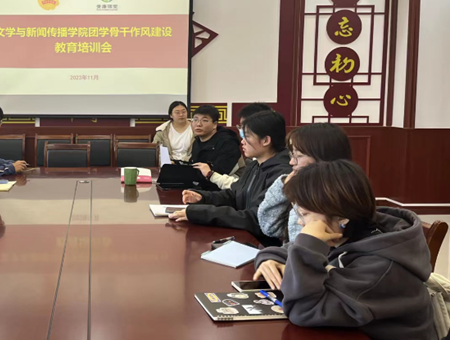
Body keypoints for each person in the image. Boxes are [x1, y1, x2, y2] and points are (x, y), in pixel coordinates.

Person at [253, 161, 434, 340]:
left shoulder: (382, 267)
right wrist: (270, 258)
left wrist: (308, 244)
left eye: (305, 214)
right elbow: (288, 249)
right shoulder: (347, 232)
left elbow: (303, 311)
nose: (300, 221)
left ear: (342, 217)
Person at [171, 110, 291, 243]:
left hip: (263, 245)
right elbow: (235, 195)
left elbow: (255, 218)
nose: (242, 142)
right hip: (244, 235)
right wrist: (203, 197)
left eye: (247, 136)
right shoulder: (254, 165)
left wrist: (201, 213)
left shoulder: (282, 174)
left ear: (266, 140)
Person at [257, 123, 352, 243]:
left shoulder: (333, 194)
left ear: (324, 158)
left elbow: (304, 245)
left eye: (299, 156)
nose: (292, 162)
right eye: (292, 155)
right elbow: (270, 227)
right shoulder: (302, 185)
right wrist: (284, 187)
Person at [205, 103, 272, 190]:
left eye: (245, 127)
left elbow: (243, 189)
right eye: (240, 126)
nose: (242, 141)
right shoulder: (253, 164)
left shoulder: (277, 170)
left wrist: (211, 175)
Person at [188, 105, 242, 186]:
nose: (198, 124)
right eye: (195, 120)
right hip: (202, 184)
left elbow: (221, 172)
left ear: (215, 124)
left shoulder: (228, 143)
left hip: (224, 187)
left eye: (205, 120)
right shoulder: (197, 141)